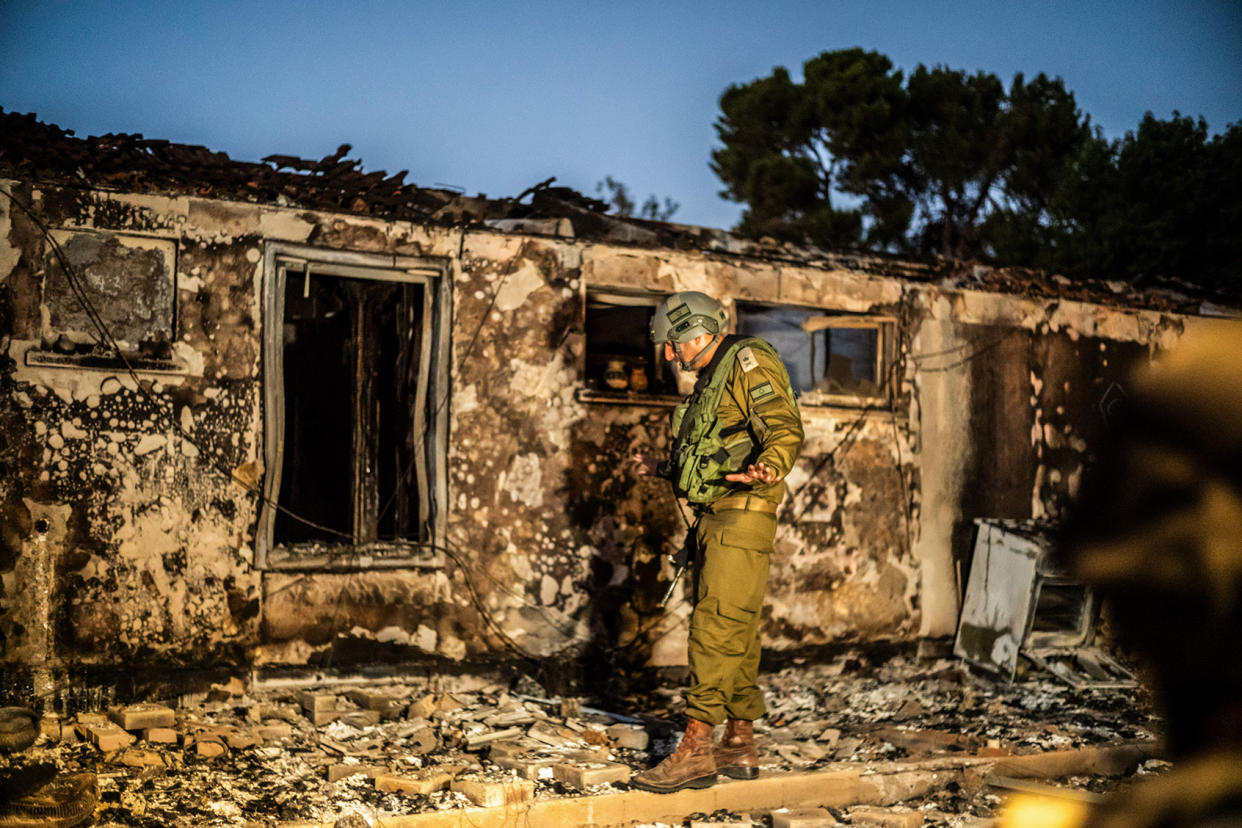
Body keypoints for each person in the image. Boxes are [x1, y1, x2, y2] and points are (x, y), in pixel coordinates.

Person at [629, 290, 804, 794]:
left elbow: (783, 428)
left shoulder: (748, 361)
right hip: (717, 515)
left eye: (672, 343)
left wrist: (771, 464)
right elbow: (711, 453)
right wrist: (661, 467)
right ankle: (738, 742)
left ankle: (695, 748)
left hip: (741, 514)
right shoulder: (714, 378)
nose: (669, 355)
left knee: (714, 627)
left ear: (697, 332)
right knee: (738, 629)